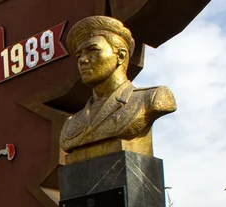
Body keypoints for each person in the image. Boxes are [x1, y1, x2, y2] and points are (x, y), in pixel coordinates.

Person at [59, 15, 176, 161]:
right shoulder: (71, 123)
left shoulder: (151, 99)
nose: (83, 60)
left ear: (120, 56)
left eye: (93, 50)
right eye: (79, 55)